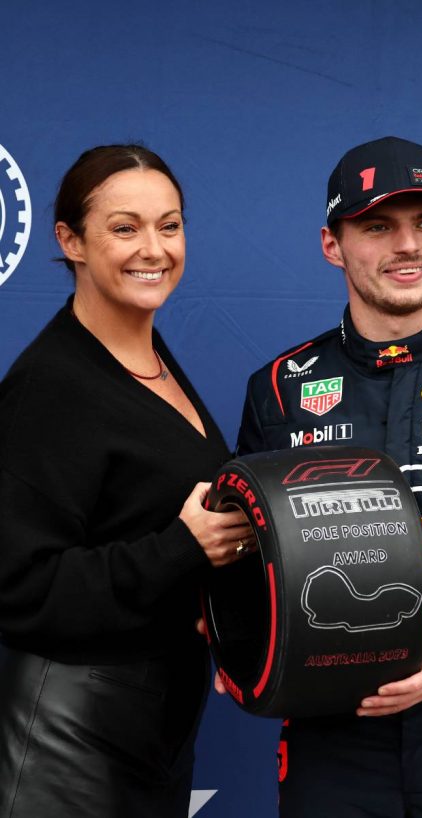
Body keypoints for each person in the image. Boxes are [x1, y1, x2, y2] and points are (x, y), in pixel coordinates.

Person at [236, 136, 422, 816]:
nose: (407, 245)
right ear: (332, 244)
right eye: (377, 226)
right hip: (330, 734)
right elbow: (242, 570)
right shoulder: (281, 390)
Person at [0, 144, 253, 818]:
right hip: (68, 737)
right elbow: (20, 589)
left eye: (169, 226)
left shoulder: (149, 357)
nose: (154, 249)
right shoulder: (49, 387)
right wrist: (182, 548)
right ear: (70, 241)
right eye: (124, 227)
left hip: (153, 731)